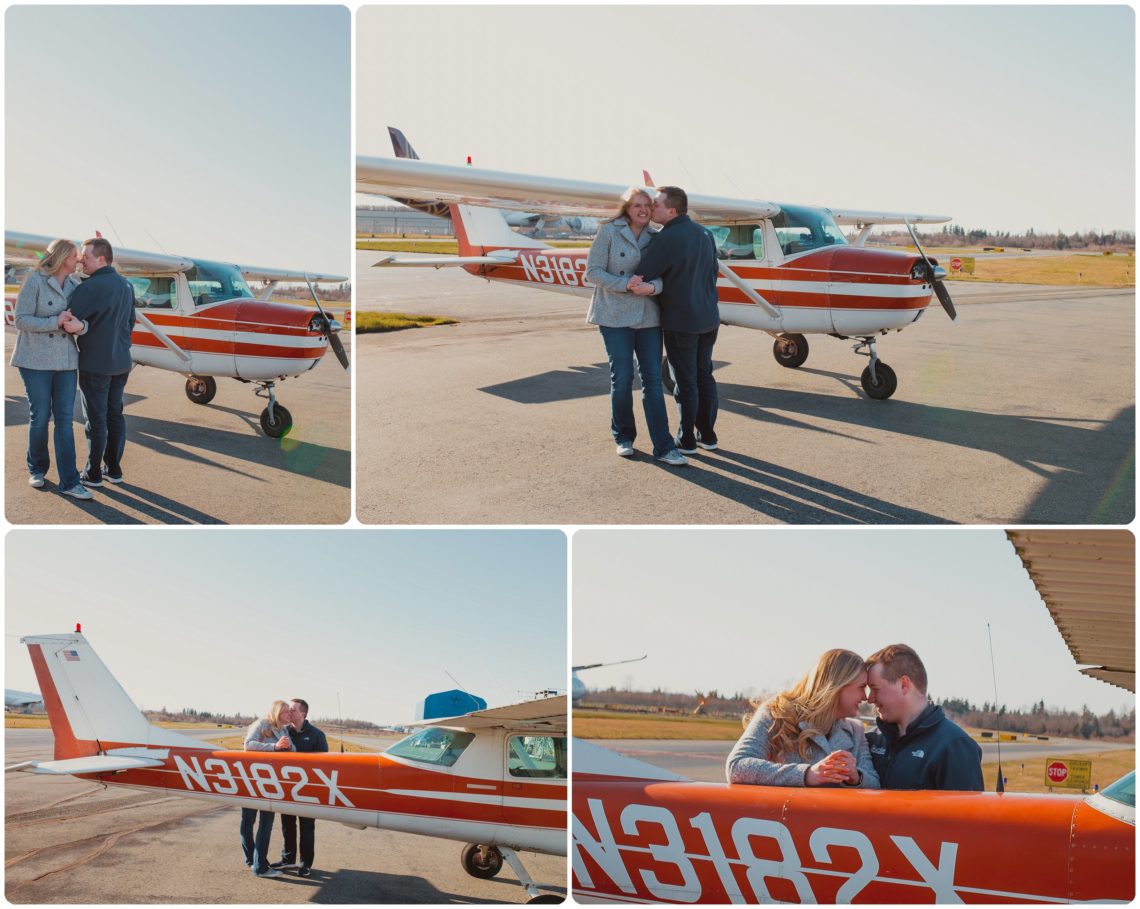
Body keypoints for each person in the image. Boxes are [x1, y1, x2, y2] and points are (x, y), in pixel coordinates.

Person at [585, 188, 686, 466]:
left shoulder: (658, 237)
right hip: (614, 315)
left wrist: (652, 286)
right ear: (626, 208)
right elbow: (592, 271)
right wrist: (625, 284)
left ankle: (664, 447)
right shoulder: (609, 231)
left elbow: (668, 277)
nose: (642, 209)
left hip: (648, 316)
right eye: (636, 205)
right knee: (622, 378)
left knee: (653, 381)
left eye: (647, 205)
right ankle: (624, 437)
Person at [630, 186, 721, 455]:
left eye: (656, 205)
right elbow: (713, 272)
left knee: (686, 381)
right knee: (705, 376)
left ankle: (688, 439)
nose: (650, 208)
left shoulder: (667, 237)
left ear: (671, 210)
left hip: (682, 322)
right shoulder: (705, 234)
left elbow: (643, 274)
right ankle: (708, 434)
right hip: (709, 318)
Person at [10, 239, 92, 500]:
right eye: (75, 255)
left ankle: (70, 481)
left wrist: (80, 327)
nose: (79, 259)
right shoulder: (35, 280)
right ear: (61, 257)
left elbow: (85, 320)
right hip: (35, 360)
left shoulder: (75, 285)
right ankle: (37, 469)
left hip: (66, 361)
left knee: (65, 421)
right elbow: (21, 319)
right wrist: (54, 321)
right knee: (40, 416)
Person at [726, 649, 879, 788]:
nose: (865, 697)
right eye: (861, 687)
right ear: (838, 685)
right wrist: (807, 775)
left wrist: (855, 776)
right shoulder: (777, 714)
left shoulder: (856, 730)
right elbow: (737, 766)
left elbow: (875, 784)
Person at [865, 644, 984, 791]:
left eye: (875, 689)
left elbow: (965, 813)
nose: (869, 699)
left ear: (904, 685)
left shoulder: (954, 746)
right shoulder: (870, 739)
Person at [67, 237, 137, 487]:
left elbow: (68, 316)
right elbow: (130, 322)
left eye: (85, 257)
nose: (81, 261)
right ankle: (114, 469)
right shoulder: (126, 285)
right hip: (121, 362)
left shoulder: (91, 287)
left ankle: (93, 473)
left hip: (95, 365)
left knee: (96, 420)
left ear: (101, 259)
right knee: (115, 415)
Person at [273, 698, 328, 877]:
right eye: (288, 709)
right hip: (287, 788)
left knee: (306, 827)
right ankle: (288, 860)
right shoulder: (283, 732)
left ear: (303, 713)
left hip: (309, 790)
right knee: (287, 825)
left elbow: (325, 764)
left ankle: (305, 864)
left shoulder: (317, 735)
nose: (289, 712)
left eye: (293, 710)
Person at [241, 700, 296, 878]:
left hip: (270, 784)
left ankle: (260, 865)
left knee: (266, 824)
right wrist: (275, 746)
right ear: (278, 712)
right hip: (252, 780)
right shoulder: (262, 724)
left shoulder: (284, 730)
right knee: (248, 821)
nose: (290, 715)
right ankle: (253, 860)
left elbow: (292, 751)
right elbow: (248, 745)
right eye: (287, 712)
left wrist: (288, 747)